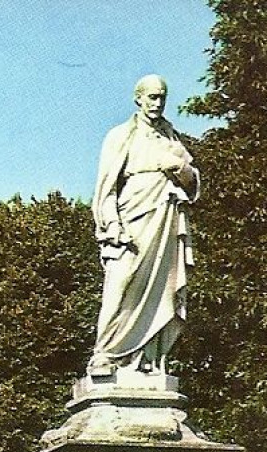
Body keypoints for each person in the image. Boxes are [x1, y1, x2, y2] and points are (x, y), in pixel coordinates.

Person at [88, 74, 200, 379]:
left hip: (165, 219)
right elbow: (105, 188)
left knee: (161, 289)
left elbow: (192, 183)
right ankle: (106, 354)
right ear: (138, 99)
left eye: (162, 96)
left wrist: (180, 170)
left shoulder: (171, 138)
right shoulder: (121, 135)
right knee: (121, 285)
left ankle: (148, 358)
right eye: (152, 97)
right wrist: (113, 225)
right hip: (131, 221)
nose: (158, 103)